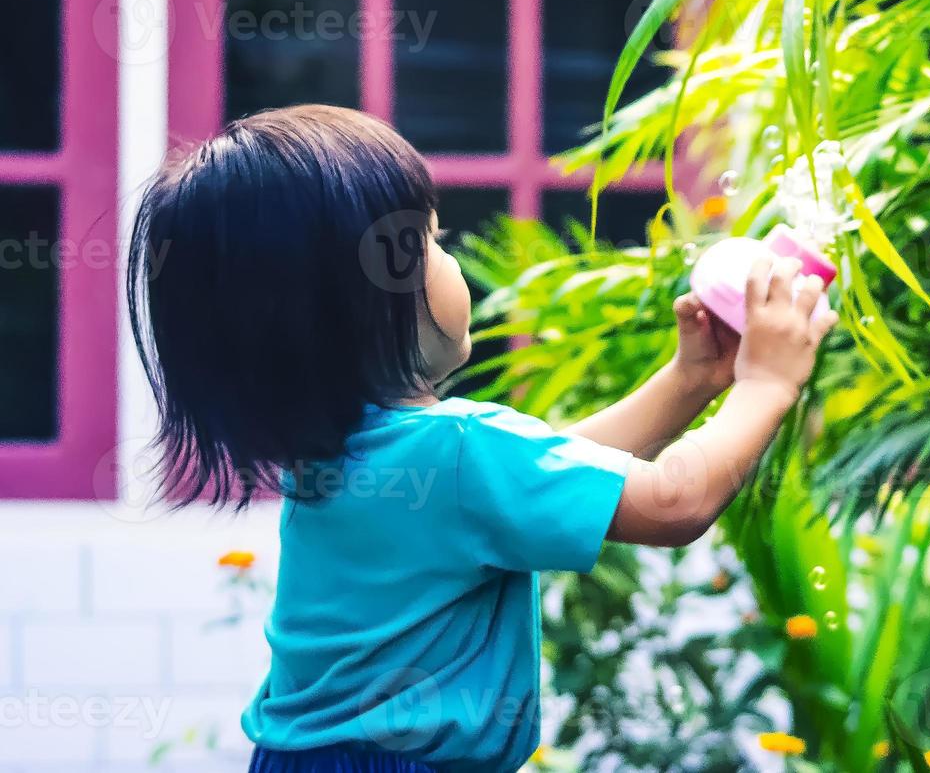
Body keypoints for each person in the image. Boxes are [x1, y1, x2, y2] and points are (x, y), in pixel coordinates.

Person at [125, 105, 838, 772]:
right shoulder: (456, 450)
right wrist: (766, 386)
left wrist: (691, 382)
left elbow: (544, 477)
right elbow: (675, 503)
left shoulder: (347, 454)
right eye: (434, 243)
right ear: (369, 296)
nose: (452, 260)